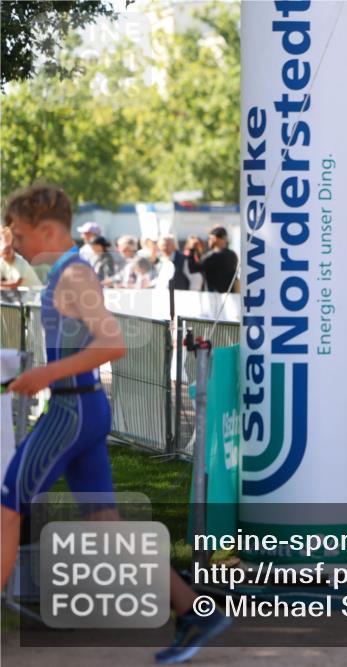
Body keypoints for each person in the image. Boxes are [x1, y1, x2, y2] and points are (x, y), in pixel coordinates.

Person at [0, 183, 230, 664]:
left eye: (18, 233)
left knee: (7, 506)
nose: (13, 243)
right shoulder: (68, 272)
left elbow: (112, 344)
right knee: (108, 524)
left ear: (45, 229)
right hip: (78, 406)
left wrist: (45, 373)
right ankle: (195, 610)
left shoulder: (74, 274)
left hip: (72, 409)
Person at [200, 226, 238, 293]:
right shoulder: (233, 255)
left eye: (209, 238)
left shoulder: (210, 257)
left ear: (215, 238)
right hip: (230, 298)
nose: (208, 241)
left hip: (211, 297)